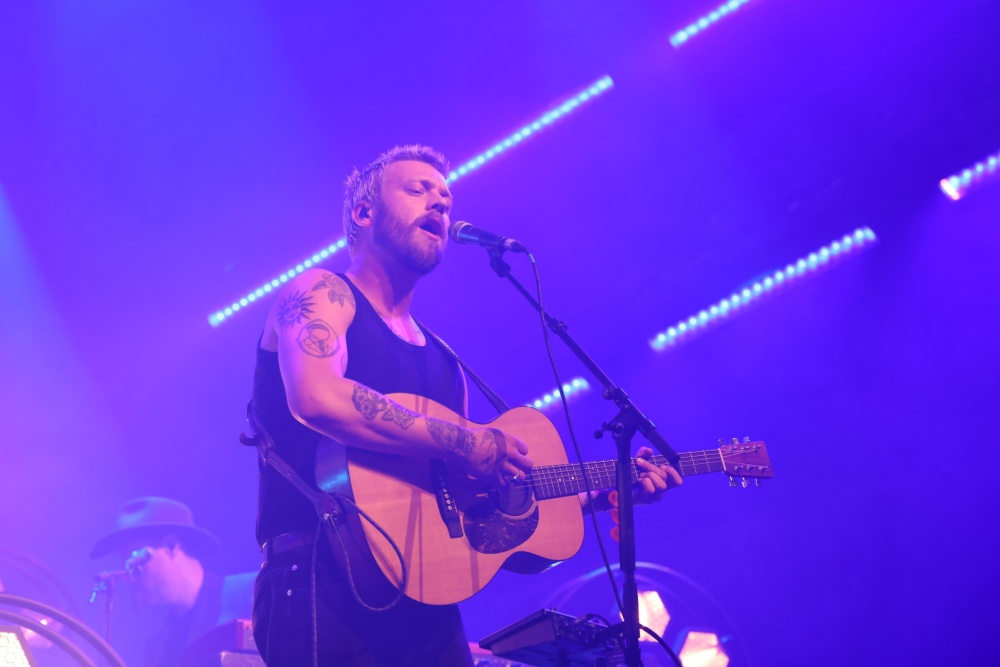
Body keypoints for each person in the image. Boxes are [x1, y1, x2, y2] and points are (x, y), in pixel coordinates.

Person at [249, 145, 682, 666]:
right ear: (364, 213)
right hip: (320, 581)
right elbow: (316, 397)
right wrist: (466, 440)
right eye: (418, 191)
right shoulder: (322, 292)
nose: (439, 203)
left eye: (445, 199)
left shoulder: (444, 361)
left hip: (424, 603)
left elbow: (470, 503)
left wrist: (602, 492)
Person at [90, 496, 255, 667]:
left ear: (170, 546)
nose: (129, 577)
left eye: (135, 562)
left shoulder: (253, 593)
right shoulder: (158, 646)